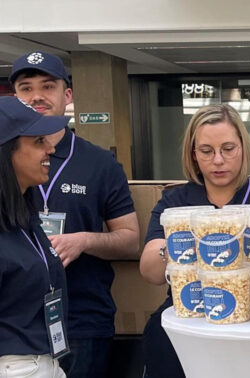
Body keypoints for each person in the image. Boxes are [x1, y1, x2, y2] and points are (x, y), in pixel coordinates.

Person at [140, 103, 250, 378]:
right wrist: (179, 244)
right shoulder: (177, 204)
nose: (218, 160)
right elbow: (150, 270)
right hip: (190, 317)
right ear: (193, 155)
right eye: (207, 151)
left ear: (244, 149)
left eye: (228, 149)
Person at [10, 51, 140, 377]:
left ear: (66, 95)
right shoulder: (5, 164)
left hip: (82, 319)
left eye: (47, 86)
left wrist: (83, 240)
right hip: (15, 325)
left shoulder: (99, 164)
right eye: (26, 88)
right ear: (15, 97)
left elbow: (130, 240)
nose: (36, 95)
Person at [0, 96, 73, 377]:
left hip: (45, 362)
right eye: (39, 141)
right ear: (7, 153)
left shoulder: (22, 214)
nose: (51, 149)